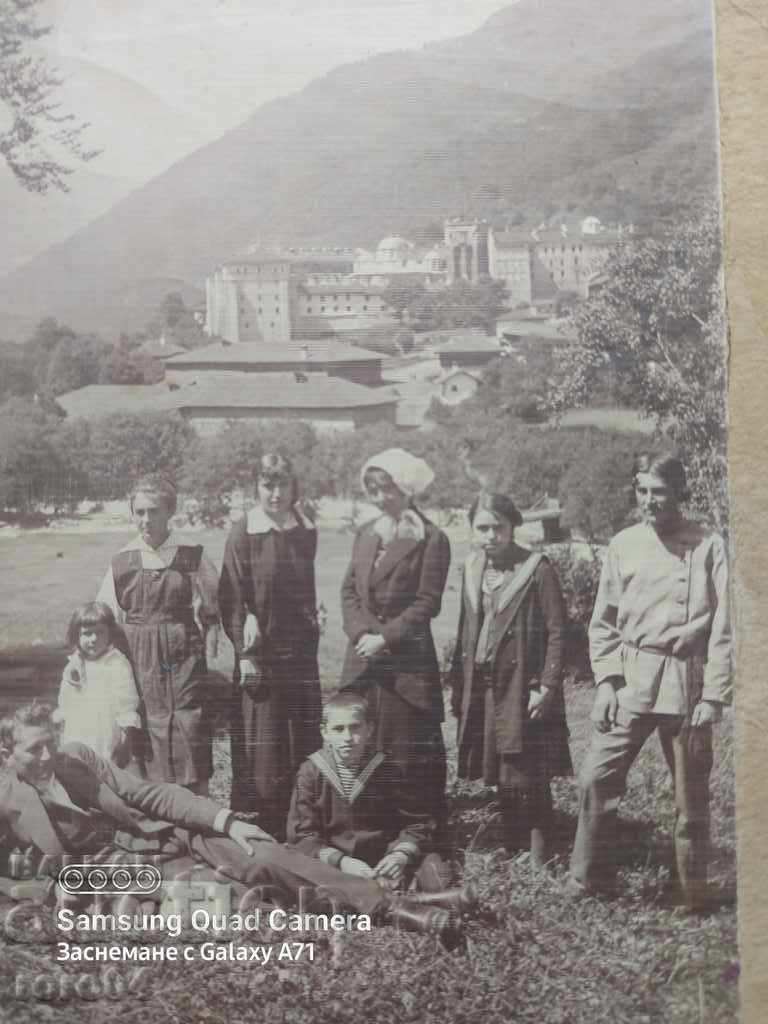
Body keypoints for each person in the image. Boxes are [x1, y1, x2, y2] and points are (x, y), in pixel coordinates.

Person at [0, 700, 453, 939]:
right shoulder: (7, 801)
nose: (46, 757)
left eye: (48, 745)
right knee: (239, 899)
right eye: (33, 750)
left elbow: (148, 794)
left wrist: (224, 820)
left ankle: (392, 907)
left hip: (172, 836)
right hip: (127, 874)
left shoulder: (76, 757)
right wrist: (57, 889)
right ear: (8, 753)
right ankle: (374, 911)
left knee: (262, 855)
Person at [569, 453, 732, 909]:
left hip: (688, 682)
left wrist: (715, 695)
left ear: (679, 491)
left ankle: (694, 893)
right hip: (632, 681)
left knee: (690, 799)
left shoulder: (708, 545)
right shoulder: (623, 544)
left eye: (658, 491)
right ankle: (589, 883)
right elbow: (603, 622)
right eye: (641, 491)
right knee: (596, 779)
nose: (649, 500)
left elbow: (724, 626)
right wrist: (606, 682)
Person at [450, 493, 572, 867]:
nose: (490, 536)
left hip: (523, 684)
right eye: (482, 528)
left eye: (497, 528)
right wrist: (459, 685)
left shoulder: (537, 569)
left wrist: (546, 686)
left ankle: (538, 851)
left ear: (512, 526)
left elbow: (558, 632)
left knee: (528, 768)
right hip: (486, 684)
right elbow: (464, 631)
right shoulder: (472, 569)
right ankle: (511, 840)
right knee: (500, 766)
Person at [338, 448, 450, 822]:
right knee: (358, 743)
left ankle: (414, 831)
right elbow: (349, 591)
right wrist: (360, 635)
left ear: (406, 488)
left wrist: (384, 638)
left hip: (405, 665)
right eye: (373, 490)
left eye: (388, 489)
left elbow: (426, 603)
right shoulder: (366, 533)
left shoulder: (431, 538)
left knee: (404, 751)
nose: (381, 498)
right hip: (363, 661)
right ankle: (367, 828)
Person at [218, 454, 322, 837]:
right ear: (256, 488)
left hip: (299, 655)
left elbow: (303, 590)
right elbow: (230, 593)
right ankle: (263, 828)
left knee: (301, 737)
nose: (275, 494)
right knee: (263, 747)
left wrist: (314, 617)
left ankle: (303, 824)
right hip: (259, 657)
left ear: (294, 487)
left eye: (282, 485)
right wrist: (245, 652)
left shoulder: (304, 529)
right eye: (267, 485)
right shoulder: (244, 531)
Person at [97, 475, 219, 794]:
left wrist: (212, 632)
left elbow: (216, 600)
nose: (146, 520)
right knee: (147, 725)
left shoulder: (191, 554)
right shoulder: (122, 560)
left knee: (189, 723)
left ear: (170, 512)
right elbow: (102, 615)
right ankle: (157, 810)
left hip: (183, 654)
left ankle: (199, 805)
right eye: (139, 512)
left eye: (154, 511)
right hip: (139, 656)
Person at [287, 692, 466, 906]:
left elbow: (416, 822)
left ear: (369, 729)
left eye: (355, 727)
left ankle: (416, 895)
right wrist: (341, 861)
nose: (347, 737)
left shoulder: (386, 768)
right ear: (324, 732)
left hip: (385, 857)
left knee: (434, 869)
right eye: (338, 729)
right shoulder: (310, 772)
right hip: (337, 860)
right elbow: (302, 834)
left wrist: (400, 855)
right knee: (304, 876)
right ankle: (399, 902)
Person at [55, 601, 141, 765]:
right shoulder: (74, 664)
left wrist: (125, 735)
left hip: (105, 731)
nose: (94, 639)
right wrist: (62, 726)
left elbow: (127, 701)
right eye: (87, 634)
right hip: (78, 728)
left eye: (100, 632)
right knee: (77, 768)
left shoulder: (116, 663)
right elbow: (65, 699)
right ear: (77, 636)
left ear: (110, 633)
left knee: (104, 768)